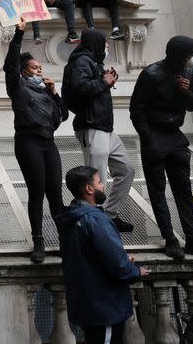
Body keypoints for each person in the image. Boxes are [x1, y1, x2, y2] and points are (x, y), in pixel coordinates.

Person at [130, 36, 193, 260]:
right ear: (179, 55)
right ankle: (170, 237)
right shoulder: (151, 74)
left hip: (176, 136)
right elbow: (137, 108)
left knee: (184, 190)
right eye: (190, 54)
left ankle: (192, 237)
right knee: (157, 191)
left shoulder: (190, 74)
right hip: (155, 135)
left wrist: (186, 91)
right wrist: (147, 138)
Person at [55, 166, 148, 344]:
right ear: (89, 189)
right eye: (99, 182)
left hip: (87, 304)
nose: (103, 186)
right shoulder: (95, 219)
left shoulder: (71, 218)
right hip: (104, 308)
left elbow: (84, 256)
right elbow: (119, 267)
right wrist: (136, 271)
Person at [4, 18, 68, 263]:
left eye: (40, 68)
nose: (39, 71)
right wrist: (19, 34)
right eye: (34, 68)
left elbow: (62, 116)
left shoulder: (46, 92)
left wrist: (54, 93)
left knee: (55, 193)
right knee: (37, 191)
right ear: (23, 72)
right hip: (28, 141)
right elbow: (10, 65)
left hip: (48, 143)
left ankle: (64, 240)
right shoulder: (18, 88)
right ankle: (38, 241)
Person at [62, 29, 135, 233]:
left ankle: (108, 215)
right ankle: (97, 224)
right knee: (96, 179)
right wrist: (104, 82)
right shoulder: (81, 61)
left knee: (127, 169)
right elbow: (80, 87)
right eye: (105, 42)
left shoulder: (93, 62)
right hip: (92, 126)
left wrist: (104, 80)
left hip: (104, 127)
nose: (107, 46)